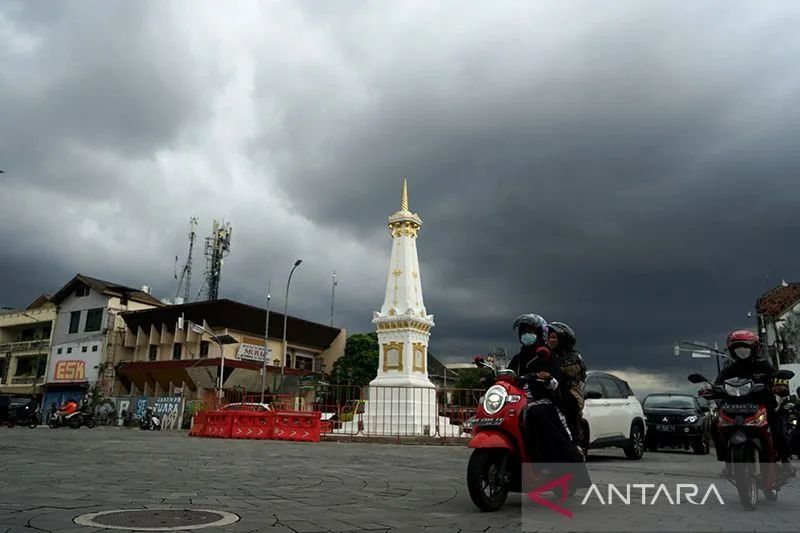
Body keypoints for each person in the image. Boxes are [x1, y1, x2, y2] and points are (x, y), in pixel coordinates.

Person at [713, 330, 793, 476]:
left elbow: (777, 378)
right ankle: (727, 462)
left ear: (754, 349)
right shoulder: (729, 370)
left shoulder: (763, 366)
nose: (742, 352)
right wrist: (711, 391)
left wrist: (780, 385)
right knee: (715, 425)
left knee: (778, 428)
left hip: (763, 406)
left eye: (745, 349)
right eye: (738, 349)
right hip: (734, 408)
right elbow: (717, 385)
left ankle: (785, 460)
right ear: (732, 351)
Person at [548, 321, 587, 451]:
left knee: (571, 415)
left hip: (568, 394)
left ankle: (575, 447)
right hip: (548, 394)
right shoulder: (545, 355)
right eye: (549, 337)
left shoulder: (574, 357)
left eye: (553, 337)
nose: (550, 340)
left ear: (562, 340)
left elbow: (566, 372)